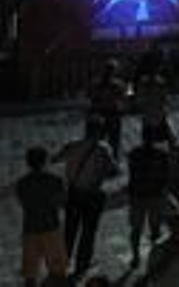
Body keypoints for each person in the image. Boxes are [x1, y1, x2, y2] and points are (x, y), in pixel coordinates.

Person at [56, 119, 119, 277]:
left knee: (69, 230)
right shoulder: (104, 149)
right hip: (92, 195)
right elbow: (113, 170)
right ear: (99, 132)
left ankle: (62, 262)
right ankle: (81, 266)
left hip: (74, 193)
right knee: (88, 232)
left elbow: (55, 158)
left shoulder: (73, 144)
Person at [16, 146, 68, 287]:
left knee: (30, 273)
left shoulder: (21, 183)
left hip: (30, 228)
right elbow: (62, 202)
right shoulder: (55, 181)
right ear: (45, 161)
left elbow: (24, 204)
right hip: (50, 227)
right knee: (58, 270)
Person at [126, 130, 173, 268]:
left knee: (136, 229)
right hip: (155, 196)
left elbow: (132, 175)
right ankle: (154, 255)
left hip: (138, 196)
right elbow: (166, 176)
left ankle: (136, 257)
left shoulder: (134, 153)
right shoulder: (161, 154)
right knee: (155, 230)